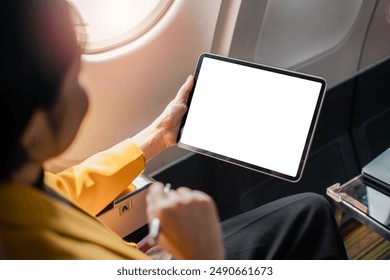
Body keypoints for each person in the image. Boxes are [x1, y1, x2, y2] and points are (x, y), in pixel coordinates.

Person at [0, 0, 347, 260]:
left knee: (309, 211)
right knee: (312, 215)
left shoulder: (19, 181)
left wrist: (156, 136)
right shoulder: (37, 252)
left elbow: (64, 189)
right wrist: (200, 250)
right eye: (74, 79)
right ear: (33, 128)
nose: (84, 95)